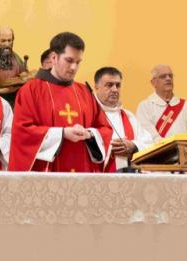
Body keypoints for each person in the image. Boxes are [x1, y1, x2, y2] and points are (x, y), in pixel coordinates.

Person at [8, 32, 111, 172]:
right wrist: (62, 133)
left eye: (78, 62)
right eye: (69, 60)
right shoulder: (31, 91)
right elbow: (22, 133)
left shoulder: (85, 92)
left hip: (82, 174)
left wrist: (89, 134)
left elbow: (105, 129)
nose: (74, 67)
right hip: (47, 175)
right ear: (54, 58)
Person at [93, 66, 152, 171]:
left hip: (128, 176)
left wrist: (133, 146)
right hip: (97, 176)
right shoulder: (90, 114)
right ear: (96, 87)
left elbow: (149, 144)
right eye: (109, 85)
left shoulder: (129, 117)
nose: (115, 89)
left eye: (118, 85)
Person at [135, 64, 187, 140]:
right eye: (163, 76)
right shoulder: (145, 106)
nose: (168, 79)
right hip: (158, 147)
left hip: (183, 147)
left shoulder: (186, 106)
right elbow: (147, 135)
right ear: (153, 82)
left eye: (170, 76)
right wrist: (168, 145)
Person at [0, 26, 30, 107]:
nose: (7, 44)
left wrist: (25, 77)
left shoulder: (16, 57)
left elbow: (25, 77)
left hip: (15, 102)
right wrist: (1, 90)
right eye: (3, 41)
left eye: (9, 40)